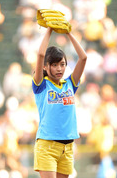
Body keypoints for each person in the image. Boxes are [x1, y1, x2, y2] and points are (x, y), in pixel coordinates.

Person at [32, 27, 87, 178]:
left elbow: (83, 58)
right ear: (45, 66)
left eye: (62, 64)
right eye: (54, 64)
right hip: (47, 146)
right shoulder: (41, 85)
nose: (59, 68)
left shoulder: (70, 84)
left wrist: (68, 33)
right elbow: (41, 54)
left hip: (67, 147)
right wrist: (50, 29)